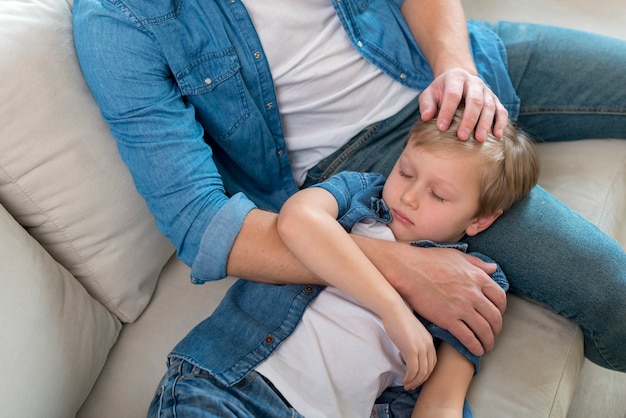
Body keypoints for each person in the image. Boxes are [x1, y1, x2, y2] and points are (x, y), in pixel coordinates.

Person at [72, 0, 626, 388]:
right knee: (611, 287)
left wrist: (455, 68)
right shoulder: (119, 18)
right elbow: (202, 224)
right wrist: (398, 268)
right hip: (366, 160)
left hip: (447, 70)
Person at [247, 110, 539, 418]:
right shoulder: (354, 193)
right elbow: (296, 221)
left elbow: (441, 403)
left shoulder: (475, 282)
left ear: (481, 219)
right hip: (235, 385)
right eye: (406, 173)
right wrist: (393, 309)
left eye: (438, 195)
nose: (409, 197)